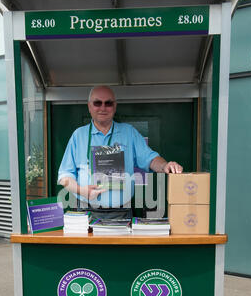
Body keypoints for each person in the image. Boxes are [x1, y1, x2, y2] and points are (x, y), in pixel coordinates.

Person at [58, 85, 183, 218]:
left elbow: (150, 159)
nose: (103, 107)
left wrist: (165, 166)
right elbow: (64, 176)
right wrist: (82, 191)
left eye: (108, 103)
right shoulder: (78, 135)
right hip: (84, 212)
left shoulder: (129, 132)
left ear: (115, 106)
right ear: (89, 106)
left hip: (121, 213)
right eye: (97, 103)